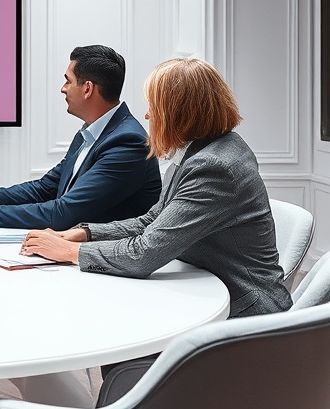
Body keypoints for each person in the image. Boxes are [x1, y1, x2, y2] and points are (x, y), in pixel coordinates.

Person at [21, 57, 292, 318]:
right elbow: (153, 221)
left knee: (117, 322)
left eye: (154, 106)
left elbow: (145, 253)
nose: (148, 115)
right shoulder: (202, 150)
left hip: (245, 312)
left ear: (179, 112)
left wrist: (69, 253)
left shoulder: (212, 167)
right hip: (206, 287)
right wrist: (85, 234)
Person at [0, 45, 161, 229]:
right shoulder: (90, 133)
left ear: (87, 89)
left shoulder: (127, 142)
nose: (63, 89)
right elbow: (44, 188)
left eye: (68, 80)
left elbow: (63, 213)